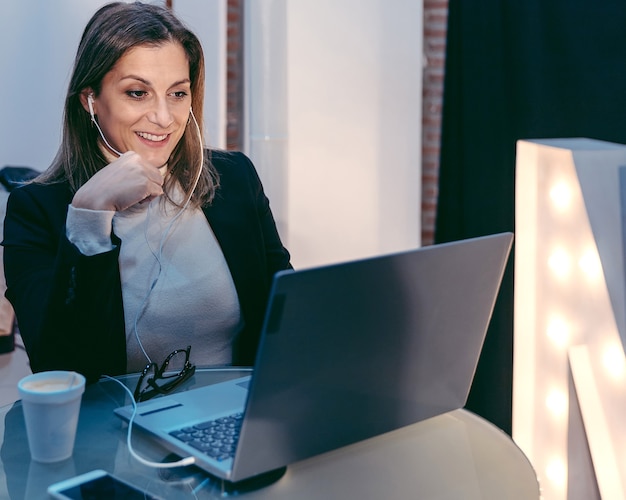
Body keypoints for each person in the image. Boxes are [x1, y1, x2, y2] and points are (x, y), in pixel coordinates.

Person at [2, 1, 291, 385]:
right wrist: (90, 216)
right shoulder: (36, 210)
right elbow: (59, 367)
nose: (163, 117)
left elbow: (286, 316)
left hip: (235, 417)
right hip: (117, 434)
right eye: (137, 93)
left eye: (177, 94)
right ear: (90, 100)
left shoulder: (235, 178)